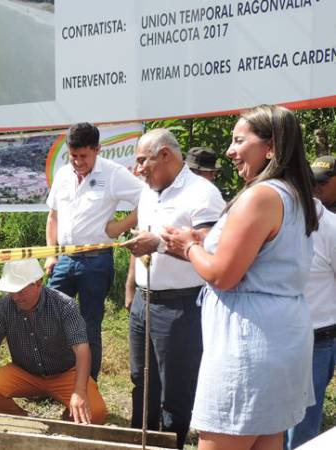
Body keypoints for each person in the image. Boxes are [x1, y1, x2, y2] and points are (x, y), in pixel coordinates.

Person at [164, 105, 318, 450]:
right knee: (266, 439)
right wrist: (206, 243)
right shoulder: (293, 194)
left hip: (248, 345)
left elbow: (222, 276)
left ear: (271, 147)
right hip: (281, 337)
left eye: (238, 140)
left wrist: (189, 247)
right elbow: (260, 256)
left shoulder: (260, 196)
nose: (230, 151)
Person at [122, 129, 225, 449]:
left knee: (175, 390)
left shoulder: (202, 194)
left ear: (165, 155)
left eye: (143, 161)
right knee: (141, 380)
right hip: (143, 300)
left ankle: (171, 444)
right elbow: (143, 239)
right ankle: (141, 441)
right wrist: (131, 287)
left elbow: (211, 247)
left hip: (180, 306)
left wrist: (160, 246)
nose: (138, 170)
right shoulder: (149, 190)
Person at [0, 259, 108, 425]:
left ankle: (68, 420)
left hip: (65, 373)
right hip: (25, 372)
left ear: (38, 283)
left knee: (96, 413)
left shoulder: (64, 305)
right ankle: (25, 423)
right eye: (11, 291)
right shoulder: (4, 307)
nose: (16, 297)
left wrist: (79, 391)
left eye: (20, 291)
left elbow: (81, 348)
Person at [45, 122, 144, 380]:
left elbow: (148, 200)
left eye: (83, 156)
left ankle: (88, 385)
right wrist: (51, 254)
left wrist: (119, 227)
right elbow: (53, 216)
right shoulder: (63, 174)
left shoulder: (113, 173)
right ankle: (56, 379)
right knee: (51, 318)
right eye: (73, 155)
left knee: (89, 326)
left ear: (98, 149)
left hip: (96, 262)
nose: (77, 162)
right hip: (64, 259)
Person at [285, 157, 336, 449]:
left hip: (317, 341)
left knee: (302, 431)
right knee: (273, 422)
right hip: (277, 337)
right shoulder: (273, 223)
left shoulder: (328, 227)